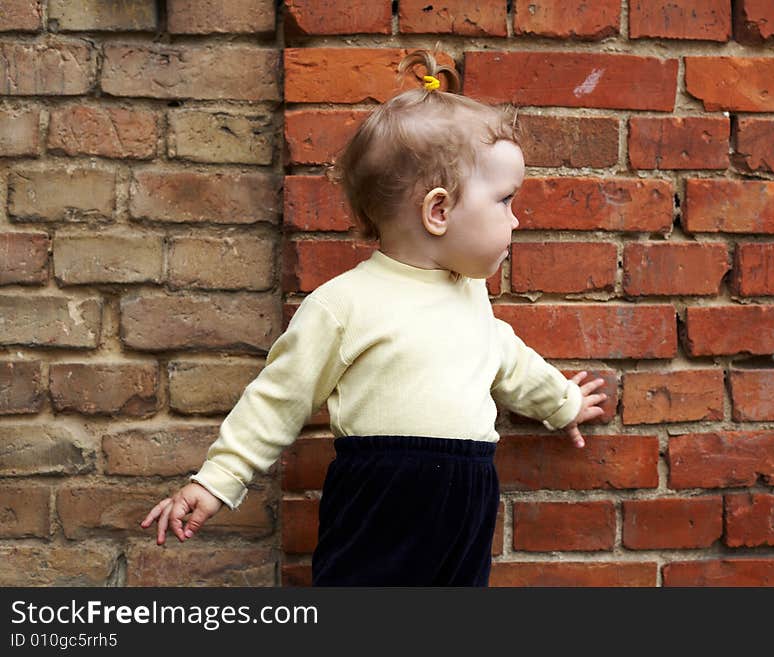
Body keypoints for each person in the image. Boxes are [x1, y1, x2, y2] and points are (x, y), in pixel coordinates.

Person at [141, 46, 608, 586]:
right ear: (438, 211)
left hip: (467, 495)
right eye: (505, 200)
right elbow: (277, 397)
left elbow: (507, 360)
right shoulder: (344, 304)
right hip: (381, 494)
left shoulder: (470, 295)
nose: (517, 218)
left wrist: (563, 402)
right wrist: (217, 480)